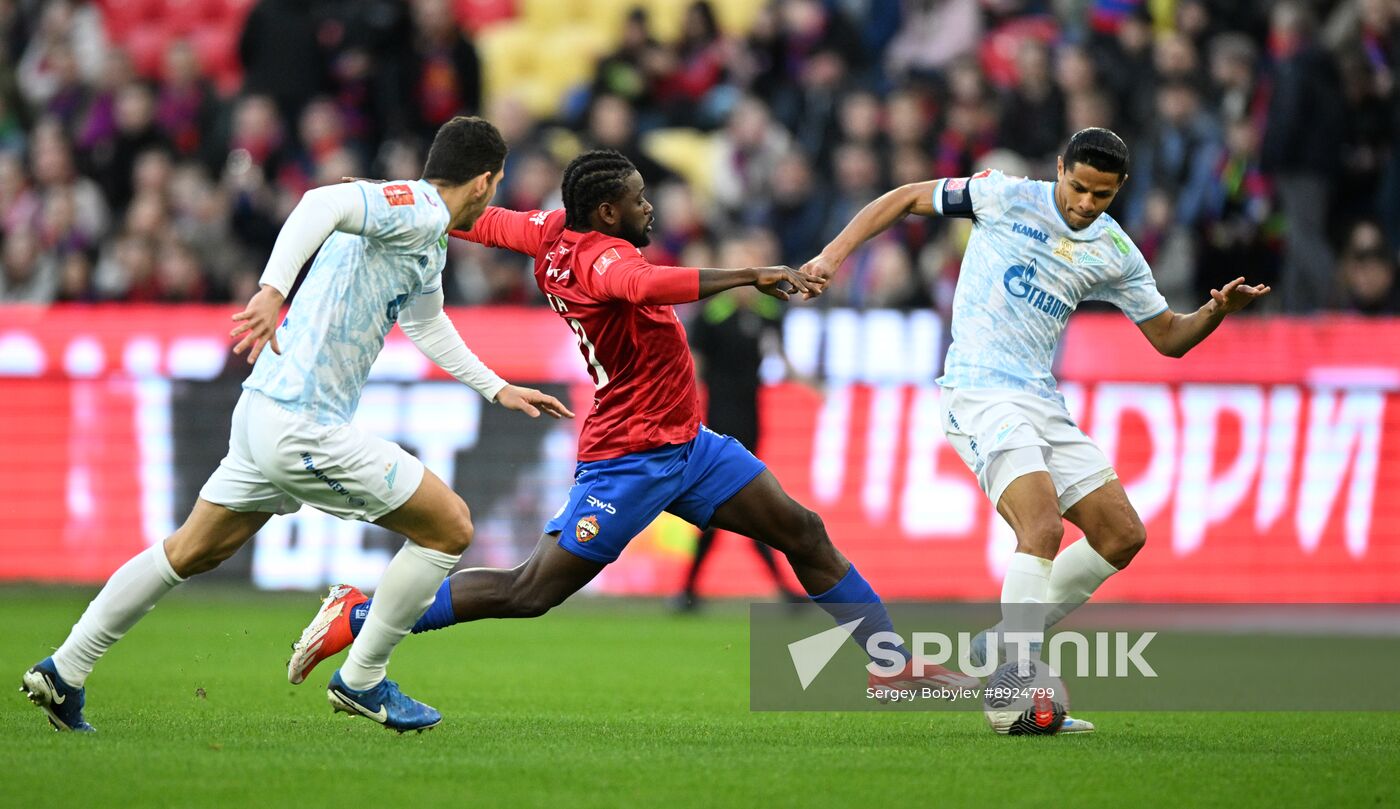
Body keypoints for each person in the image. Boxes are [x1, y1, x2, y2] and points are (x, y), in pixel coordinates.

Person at [285, 150, 975, 699]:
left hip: (690, 445)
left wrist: (377, 195)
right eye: (641, 199)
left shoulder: (553, 232)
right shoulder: (601, 260)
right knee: (530, 591)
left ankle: (889, 663)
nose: (652, 208)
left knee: (805, 531)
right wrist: (749, 275)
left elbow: (473, 218)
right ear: (609, 210)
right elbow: (643, 285)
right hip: (631, 458)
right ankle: (360, 615)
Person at [21, 116, 573, 734]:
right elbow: (320, 200)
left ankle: (64, 670)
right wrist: (271, 291)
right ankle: (363, 679)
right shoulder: (413, 208)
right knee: (450, 527)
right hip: (302, 424)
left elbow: (425, 324)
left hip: (264, 411)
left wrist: (495, 387)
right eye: (495, 186)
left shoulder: (426, 238)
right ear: (484, 182)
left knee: (193, 548)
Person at [802, 128, 1270, 734]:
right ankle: (1014, 694)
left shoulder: (1115, 251)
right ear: (1059, 169)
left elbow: (1167, 338)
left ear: (1118, 189)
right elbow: (903, 198)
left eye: (1101, 195)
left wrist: (1213, 313)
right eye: (1077, 187)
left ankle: (1004, 641)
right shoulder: (1004, 197)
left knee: (1122, 535)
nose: (1084, 203)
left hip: (1040, 400)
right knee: (1042, 526)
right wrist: (831, 258)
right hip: (978, 391)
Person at [675, 233, 804, 611]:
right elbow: (693, 369)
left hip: (751, 420)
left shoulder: (769, 314)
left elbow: (782, 359)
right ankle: (782, 590)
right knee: (745, 505)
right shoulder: (710, 316)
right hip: (719, 422)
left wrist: (813, 386)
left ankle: (687, 593)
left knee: (732, 508)